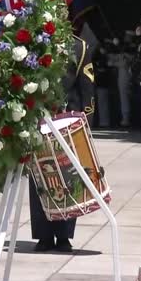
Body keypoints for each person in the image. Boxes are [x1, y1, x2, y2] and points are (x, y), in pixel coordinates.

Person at [29, 31, 95, 253]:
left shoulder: (79, 47)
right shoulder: (33, 41)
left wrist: (85, 123)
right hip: (41, 118)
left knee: (69, 178)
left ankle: (64, 236)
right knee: (40, 177)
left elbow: (86, 87)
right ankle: (44, 235)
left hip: (68, 120)